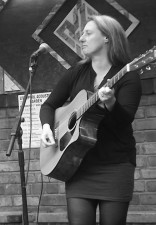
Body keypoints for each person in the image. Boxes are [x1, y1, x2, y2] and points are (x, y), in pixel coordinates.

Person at [40, 15, 142, 225]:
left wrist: (111, 103)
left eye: (88, 33)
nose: (81, 38)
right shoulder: (77, 71)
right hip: (78, 165)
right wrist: (47, 127)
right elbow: (49, 105)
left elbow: (124, 121)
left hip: (114, 165)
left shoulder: (128, 76)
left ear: (107, 37)